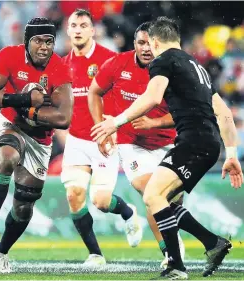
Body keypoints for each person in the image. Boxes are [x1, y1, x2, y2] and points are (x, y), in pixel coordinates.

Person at [91, 17, 243, 279]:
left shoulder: (163, 61)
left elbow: (151, 98)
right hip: (207, 144)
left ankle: (175, 265)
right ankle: (211, 244)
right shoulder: (198, 67)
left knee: (152, 197)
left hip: (191, 142)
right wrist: (231, 154)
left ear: (156, 41)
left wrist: (115, 122)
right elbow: (225, 112)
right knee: (158, 196)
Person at [0, 17, 73, 273]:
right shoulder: (9, 55)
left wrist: (33, 114)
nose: (44, 47)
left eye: (49, 41)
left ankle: (1, 252)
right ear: (27, 42)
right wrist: (24, 98)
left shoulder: (60, 68)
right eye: (38, 40)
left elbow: (63, 118)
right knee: (7, 158)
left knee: (24, 206)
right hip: (10, 125)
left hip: (40, 140)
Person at [88, 21, 185, 268]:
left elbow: (186, 112)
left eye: (149, 43)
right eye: (140, 43)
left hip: (169, 142)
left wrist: (154, 123)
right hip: (132, 144)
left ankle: (175, 237)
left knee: (172, 201)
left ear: (157, 44)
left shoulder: (173, 69)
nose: (145, 48)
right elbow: (94, 92)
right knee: (151, 191)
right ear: (134, 44)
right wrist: (102, 127)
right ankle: (169, 251)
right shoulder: (117, 64)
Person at [61, 9, 142, 266]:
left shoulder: (110, 60)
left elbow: (127, 95)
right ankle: (95, 254)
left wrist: (116, 128)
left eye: (83, 25)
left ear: (92, 30)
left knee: (101, 202)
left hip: (104, 140)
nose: (77, 29)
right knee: (74, 195)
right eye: (73, 25)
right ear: (67, 30)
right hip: (76, 140)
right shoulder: (62, 66)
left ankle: (129, 213)